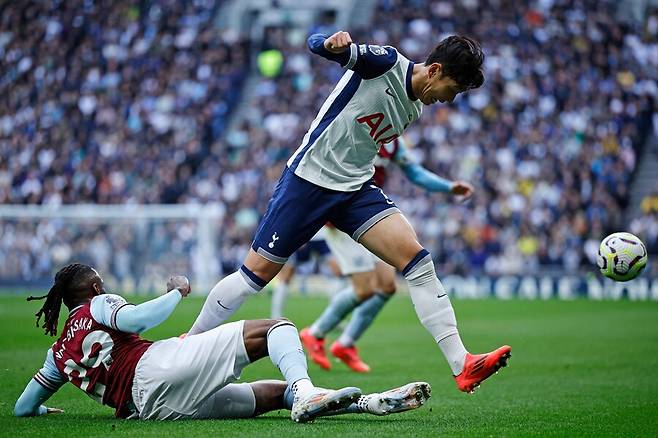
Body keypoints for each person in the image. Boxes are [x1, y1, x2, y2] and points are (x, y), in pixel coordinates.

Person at [188, 30, 511, 393]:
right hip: (308, 181)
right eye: (451, 90)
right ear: (434, 70)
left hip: (355, 188)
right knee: (254, 276)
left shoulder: (417, 104)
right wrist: (328, 43)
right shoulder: (385, 64)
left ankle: (462, 364)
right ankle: (189, 344)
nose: (448, 100)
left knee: (418, 262)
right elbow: (314, 43)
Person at [14, 263, 431, 422]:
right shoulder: (99, 304)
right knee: (276, 328)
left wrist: (45, 407)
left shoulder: (57, 353)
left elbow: (22, 407)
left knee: (271, 395)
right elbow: (139, 317)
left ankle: (364, 403)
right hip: (155, 369)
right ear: (93, 285)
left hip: (150, 411)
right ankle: (307, 393)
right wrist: (176, 291)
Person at [300, 135, 474, 372]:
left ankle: (345, 343)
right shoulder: (356, 131)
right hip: (340, 217)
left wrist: (448, 187)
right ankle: (315, 333)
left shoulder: (392, 142)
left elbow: (414, 172)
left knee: (386, 286)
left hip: (366, 217)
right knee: (364, 289)